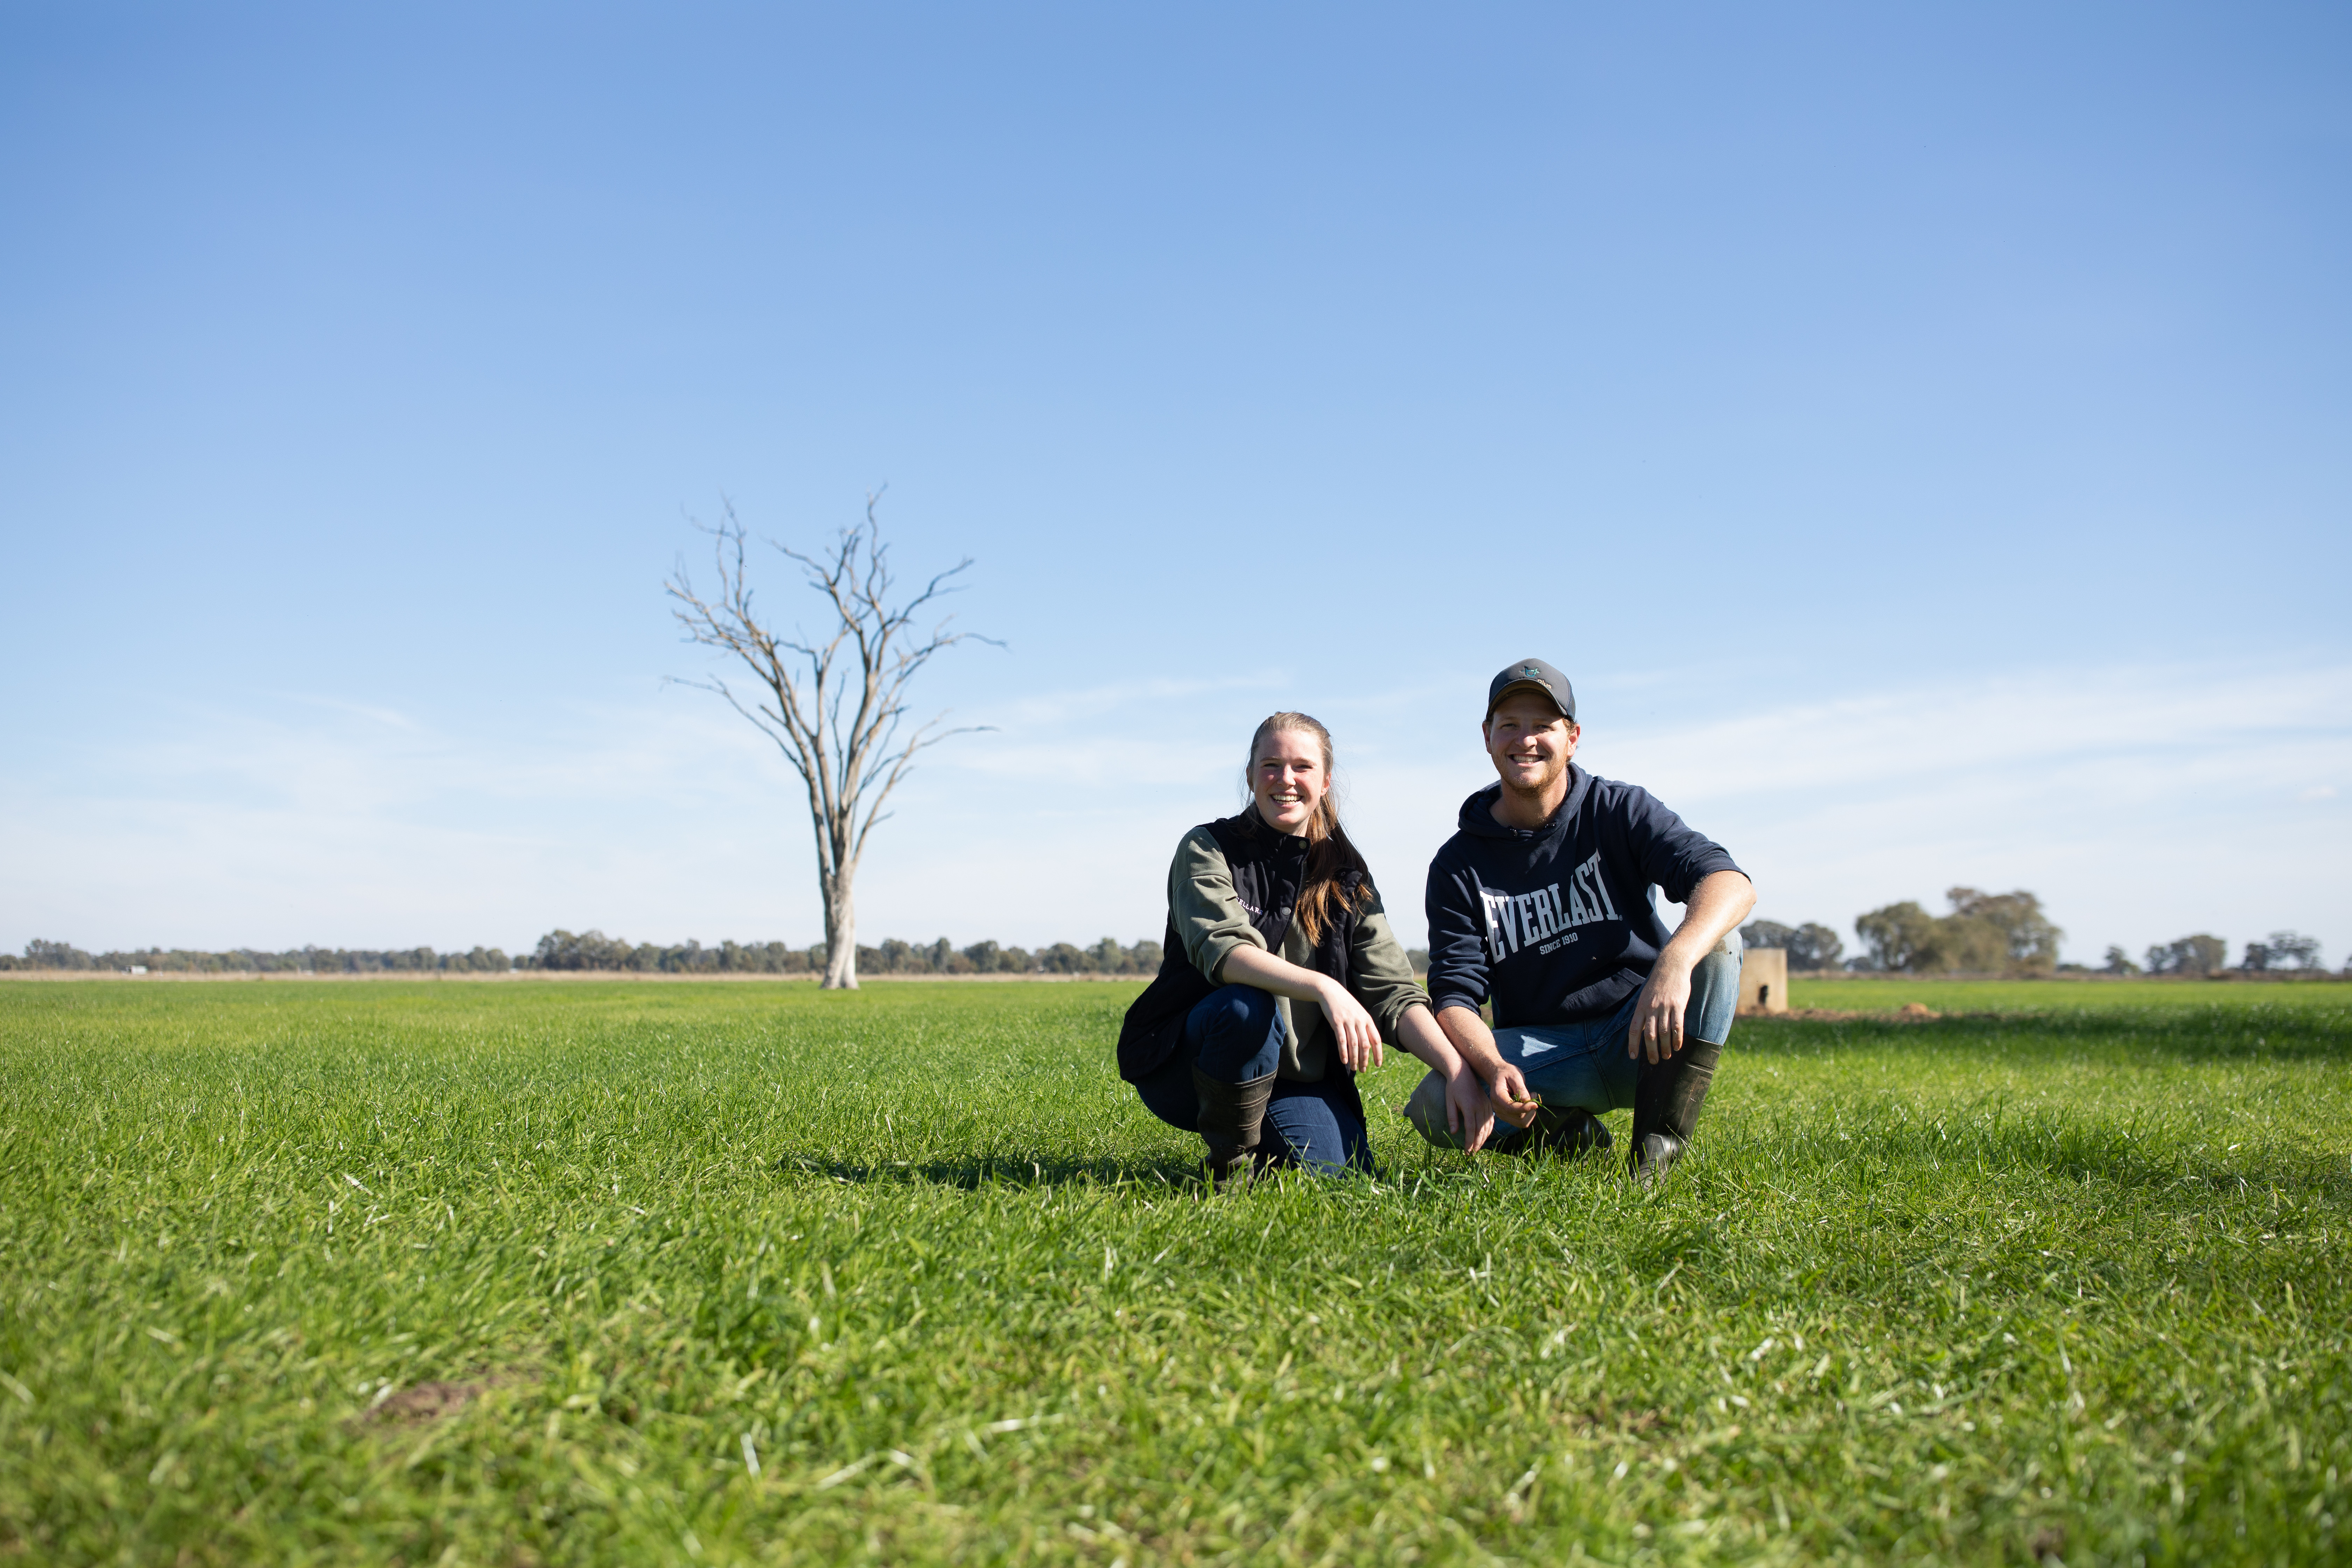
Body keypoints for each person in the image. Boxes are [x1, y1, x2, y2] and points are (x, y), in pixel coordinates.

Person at [1404, 658, 1756, 1181]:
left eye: (1543, 726)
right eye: (1510, 726)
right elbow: (1455, 995)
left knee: (1721, 944)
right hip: (1545, 1052)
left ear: (1572, 738)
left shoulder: (1618, 810)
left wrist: (1675, 960)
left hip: (1641, 1032)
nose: (1526, 740)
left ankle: (1656, 1155)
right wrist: (1491, 1063)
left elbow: (1729, 881)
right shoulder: (1458, 864)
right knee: (1436, 1103)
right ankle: (1571, 1141)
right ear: (1487, 738)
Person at [1118, 712, 1490, 1178]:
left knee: (1341, 1180)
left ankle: (1267, 1149)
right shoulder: (1208, 847)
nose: (1286, 779)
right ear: (1251, 775)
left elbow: (1393, 991)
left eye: (1303, 767)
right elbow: (1225, 950)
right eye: (1271, 765)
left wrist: (1456, 1069)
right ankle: (1229, 1167)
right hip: (1193, 1063)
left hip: (1295, 1079)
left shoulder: (1345, 874)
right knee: (1246, 1007)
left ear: (1326, 780)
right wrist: (1325, 988)